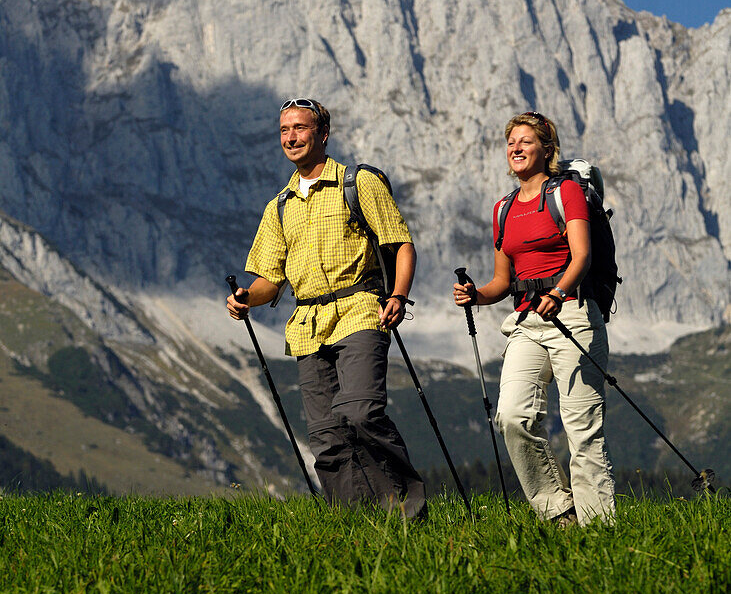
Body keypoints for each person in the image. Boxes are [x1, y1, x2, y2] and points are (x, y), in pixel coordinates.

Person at [227, 98, 427, 519]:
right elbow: (270, 280)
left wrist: (398, 296)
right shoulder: (278, 205)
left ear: (322, 134)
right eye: (284, 130)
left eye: (300, 128)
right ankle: (354, 524)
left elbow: (400, 244)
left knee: (360, 412)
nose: (291, 137)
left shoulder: (358, 182)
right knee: (326, 436)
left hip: (360, 309)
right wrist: (247, 297)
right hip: (306, 325)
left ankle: (406, 512)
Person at [453, 112, 615, 526]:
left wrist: (559, 292)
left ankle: (599, 531)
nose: (516, 148)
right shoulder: (503, 208)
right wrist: (475, 295)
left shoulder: (566, 194)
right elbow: (501, 283)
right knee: (511, 415)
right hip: (527, 321)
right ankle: (558, 512)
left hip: (575, 314)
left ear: (547, 149)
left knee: (583, 432)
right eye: (511, 142)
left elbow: (582, 256)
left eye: (526, 141)